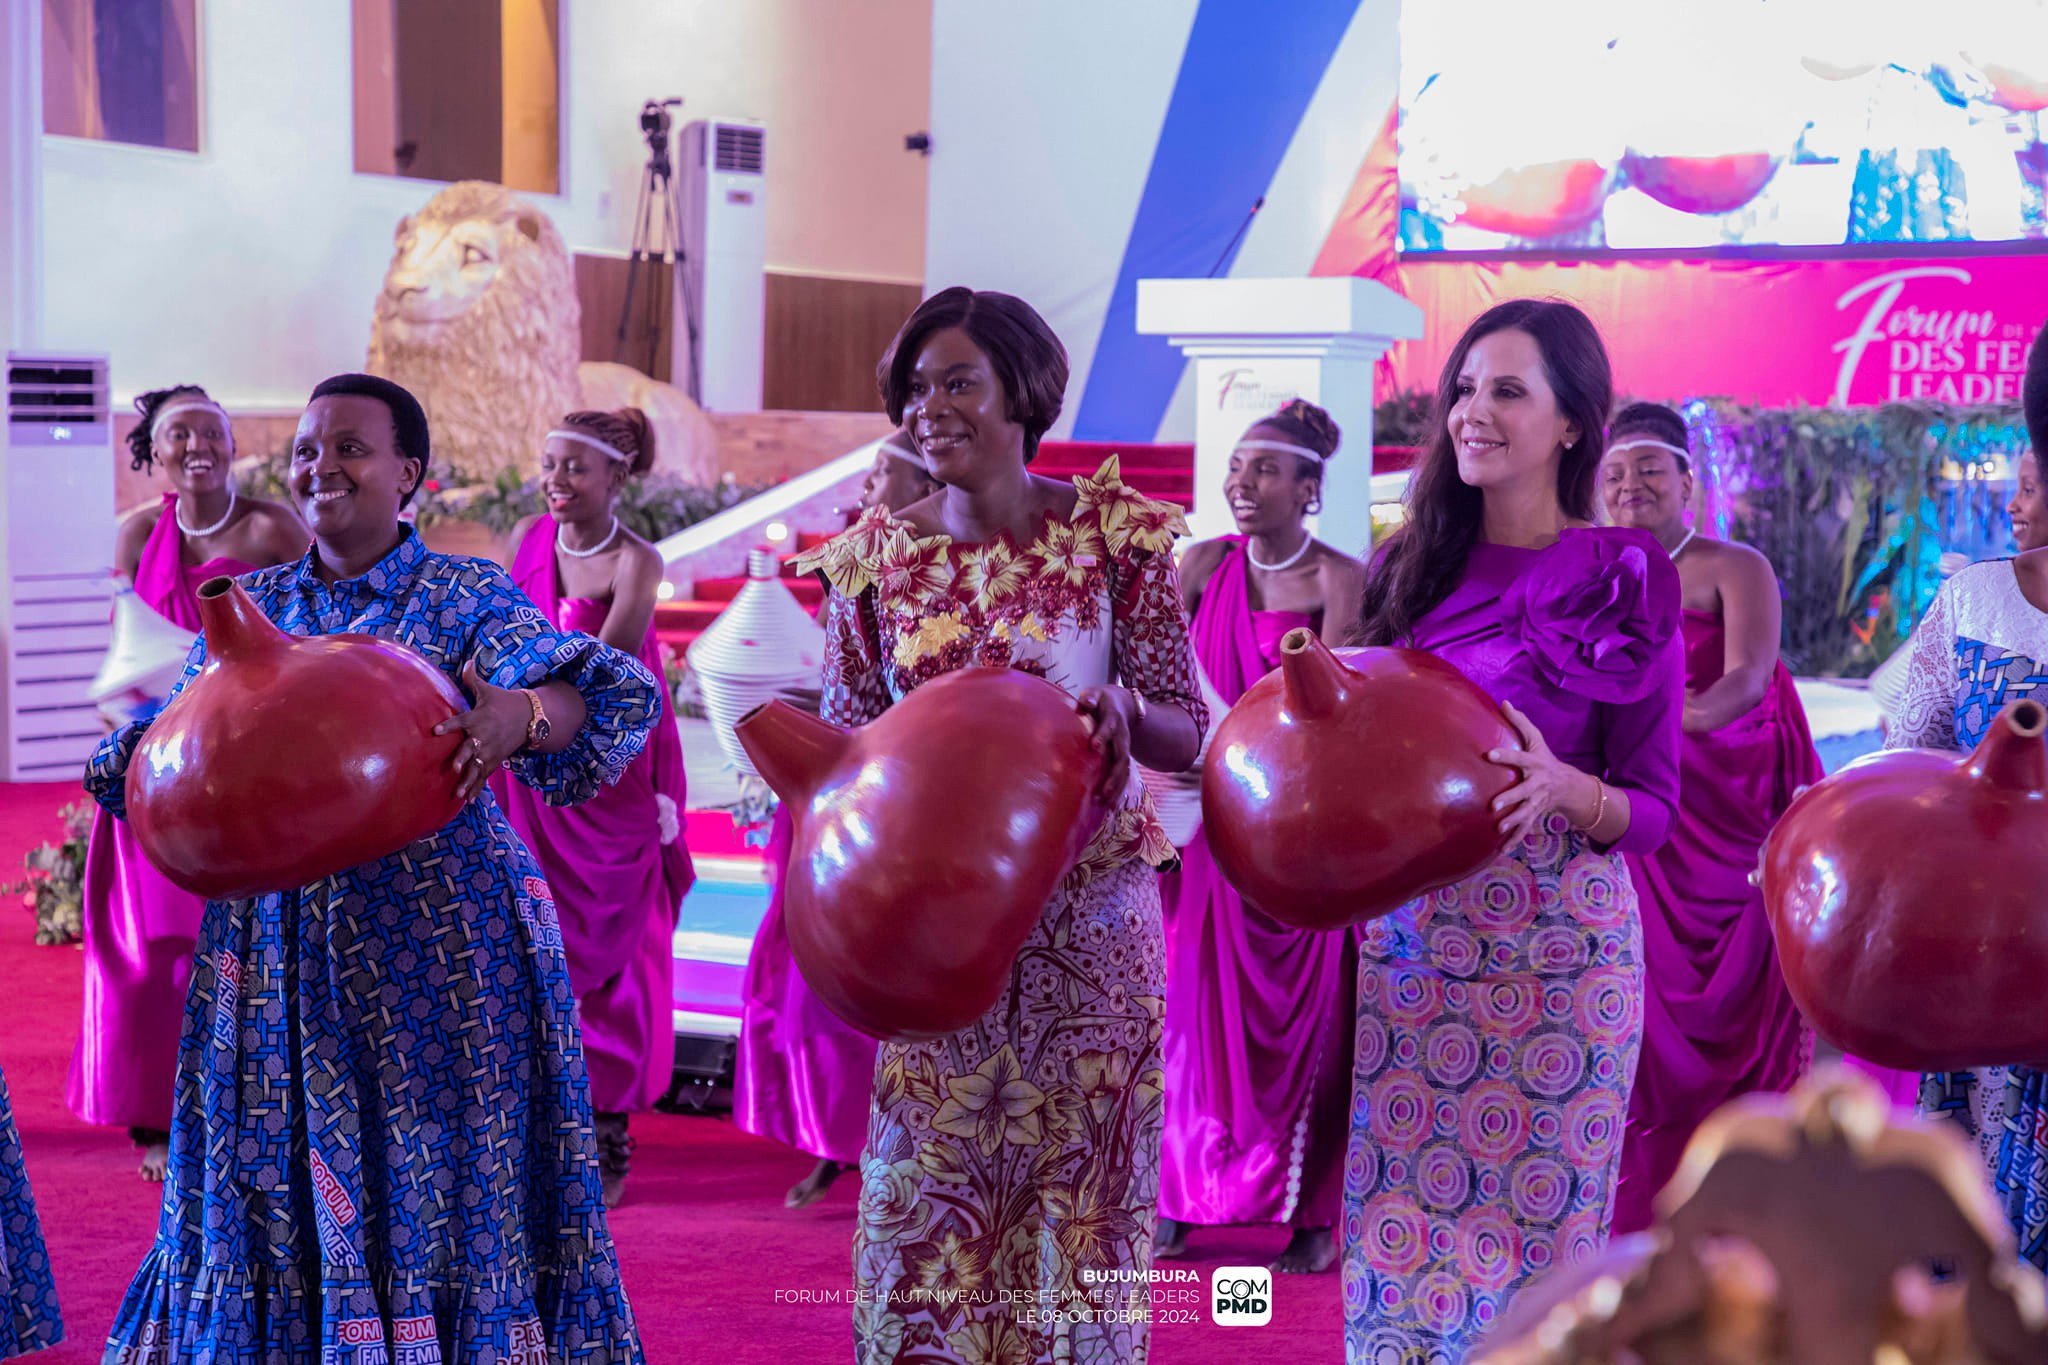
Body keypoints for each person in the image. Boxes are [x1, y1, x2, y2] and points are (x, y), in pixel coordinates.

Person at [84, 374, 654, 1360]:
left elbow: (587, 696)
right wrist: (141, 759)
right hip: (275, 953)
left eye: (350, 447)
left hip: (440, 954)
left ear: (410, 476)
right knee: (270, 1163)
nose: (321, 467)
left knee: (434, 1169)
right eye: (307, 449)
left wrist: (512, 718)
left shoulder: (464, 593)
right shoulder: (251, 607)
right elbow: (167, 743)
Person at [793, 287, 1205, 1364]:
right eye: (915, 388)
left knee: (1083, 1206)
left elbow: (1188, 726)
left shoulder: (1114, 539)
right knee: (925, 1212)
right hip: (930, 941)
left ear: (1022, 391)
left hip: (1089, 932)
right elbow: (848, 751)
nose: (930, 408)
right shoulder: (869, 562)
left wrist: (1125, 713)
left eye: (958, 382)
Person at [1340, 300, 1683, 1362]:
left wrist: (1564, 791)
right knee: (1402, 1243)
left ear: (1573, 422)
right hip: (1411, 951)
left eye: (1505, 390)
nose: (1469, 412)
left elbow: (1653, 809)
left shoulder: (1621, 576)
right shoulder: (1407, 569)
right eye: (1462, 388)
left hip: (1558, 957)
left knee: (1537, 1257)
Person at [1596, 401, 1822, 1233]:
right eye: (1615, 474)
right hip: (1638, 803)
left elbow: (1747, 680)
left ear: (1688, 480)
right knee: (1639, 993)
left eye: (1650, 469)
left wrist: (1654, 718)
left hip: (1726, 797)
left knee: (1735, 992)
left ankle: (1746, 1197)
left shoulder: (1736, 565)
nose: (1631, 486)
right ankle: (1640, 1202)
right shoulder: (1593, 569)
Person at [1153, 399, 1365, 1275]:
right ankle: (1180, 1199)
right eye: (1238, 468)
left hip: (1302, 832)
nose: (1243, 484)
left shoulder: (1347, 579)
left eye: (1266, 470)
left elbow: (1344, 703)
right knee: (1191, 1015)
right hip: (1204, 828)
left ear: (1309, 489)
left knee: (1313, 1017)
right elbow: (1157, 673)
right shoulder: (1200, 564)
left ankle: (1310, 1214)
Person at [73, 385, 306, 1182]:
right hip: (158, 758)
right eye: (180, 435)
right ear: (155, 452)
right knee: (149, 948)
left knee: (246, 943)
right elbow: (127, 648)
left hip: (247, 759)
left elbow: (311, 630)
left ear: (235, 443)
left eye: (213, 431)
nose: (197, 445)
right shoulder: (136, 531)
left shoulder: (275, 527)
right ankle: (155, 1117)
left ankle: (257, 1100)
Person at [493, 406, 695, 1209]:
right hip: (526, 759)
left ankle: (610, 1128)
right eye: (549, 464)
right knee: (527, 927)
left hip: (609, 763)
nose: (556, 481)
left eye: (575, 467)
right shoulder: (525, 541)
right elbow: (496, 633)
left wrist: (513, 695)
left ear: (617, 477)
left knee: (616, 940)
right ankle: (537, 1119)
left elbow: (600, 670)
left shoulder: (637, 561)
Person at [737, 426, 937, 1212]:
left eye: (881, 475)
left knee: (888, 970)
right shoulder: (853, 559)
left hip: (909, 790)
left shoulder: (945, 568)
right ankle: (833, 1139)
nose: (864, 492)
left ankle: (897, 1143)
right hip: (835, 779)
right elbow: (840, 684)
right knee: (810, 973)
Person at [1884, 320, 2048, 1272]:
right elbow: (1910, 757)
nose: (2015, 503)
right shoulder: (1973, 602)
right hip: (1988, 949)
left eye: (2032, 483)